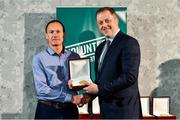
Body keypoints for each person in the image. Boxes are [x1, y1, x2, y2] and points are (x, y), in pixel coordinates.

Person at [82, 7, 142, 119]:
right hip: (106, 111)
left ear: (116, 20)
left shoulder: (129, 43)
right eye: (100, 23)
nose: (104, 25)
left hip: (124, 112)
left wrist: (100, 89)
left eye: (107, 20)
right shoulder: (100, 48)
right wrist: (89, 96)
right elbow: (101, 80)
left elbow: (129, 77)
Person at [32, 19, 83, 119]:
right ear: (46, 35)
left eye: (58, 31)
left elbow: (79, 82)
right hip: (47, 111)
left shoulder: (74, 56)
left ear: (64, 34)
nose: (55, 35)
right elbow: (42, 90)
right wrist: (71, 98)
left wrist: (79, 93)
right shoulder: (39, 58)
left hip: (70, 111)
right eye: (51, 32)